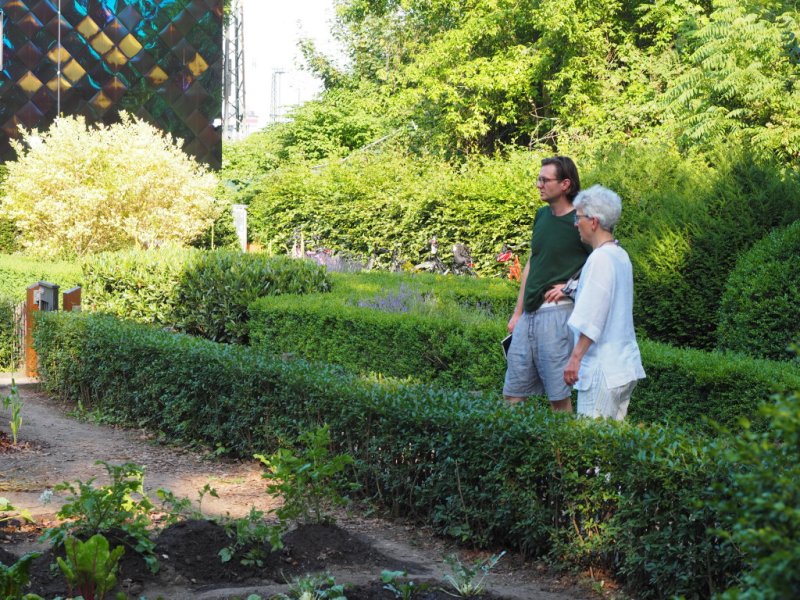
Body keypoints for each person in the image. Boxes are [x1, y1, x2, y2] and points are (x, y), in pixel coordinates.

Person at [504, 156, 591, 412]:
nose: (538, 184)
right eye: (538, 179)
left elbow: (600, 262)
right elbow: (533, 261)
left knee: (558, 398)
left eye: (545, 180)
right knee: (512, 394)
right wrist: (518, 312)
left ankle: (564, 441)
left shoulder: (580, 220)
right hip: (528, 316)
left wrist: (570, 286)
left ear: (565, 184)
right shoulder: (541, 215)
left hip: (557, 315)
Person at [563, 184, 645, 420]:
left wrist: (575, 359)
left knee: (591, 439)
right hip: (622, 366)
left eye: (579, 217)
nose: (576, 224)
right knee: (612, 438)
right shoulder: (620, 254)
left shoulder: (599, 258)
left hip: (602, 370)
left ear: (594, 221)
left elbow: (593, 316)